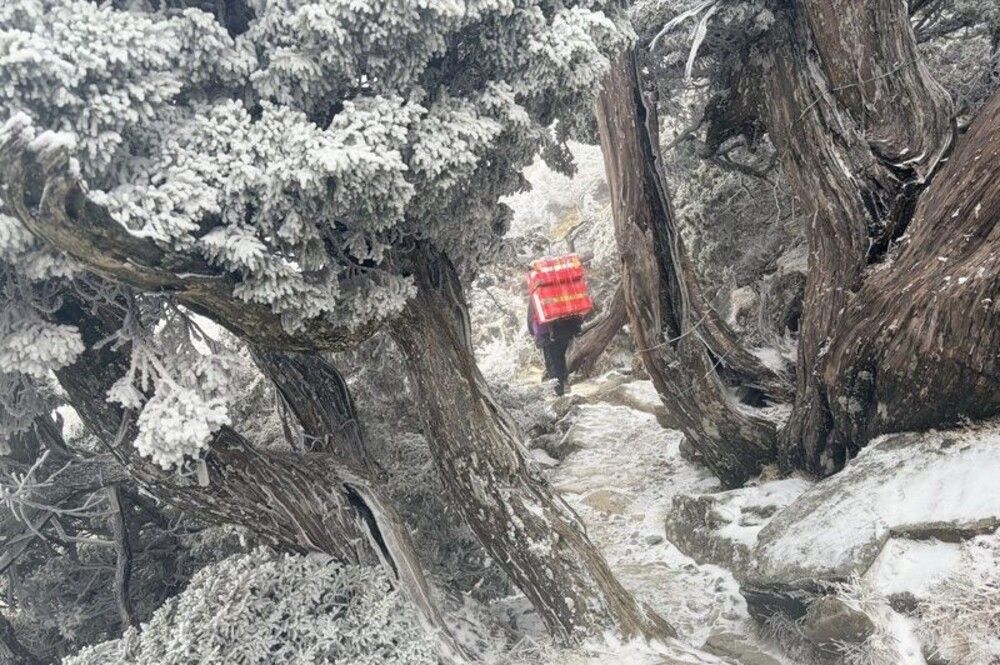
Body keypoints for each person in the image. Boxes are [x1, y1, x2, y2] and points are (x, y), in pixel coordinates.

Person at [527, 299, 582, 396]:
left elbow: (530, 318)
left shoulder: (536, 295)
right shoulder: (557, 292)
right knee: (560, 358)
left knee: (552, 363)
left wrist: (533, 333)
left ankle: (558, 392)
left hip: (547, 335)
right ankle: (564, 382)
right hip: (565, 331)